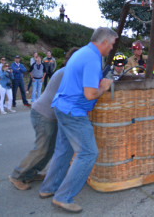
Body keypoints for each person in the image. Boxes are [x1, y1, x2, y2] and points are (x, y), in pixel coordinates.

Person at [39, 27, 116, 213]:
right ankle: (63, 197)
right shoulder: (92, 59)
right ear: (104, 42)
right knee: (88, 153)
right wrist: (105, 87)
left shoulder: (84, 52)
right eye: (112, 44)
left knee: (64, 150)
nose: (112, 48)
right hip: (74, 111)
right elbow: (90, 94)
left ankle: (48, 188)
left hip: (62, 106)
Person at [9, 47, 79, 191]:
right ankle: (16, 176)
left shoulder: (66, 72)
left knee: (49, 148)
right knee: (41, 149)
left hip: (48, 115)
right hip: (43, 115)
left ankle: (31, 173)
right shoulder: (66, 74)